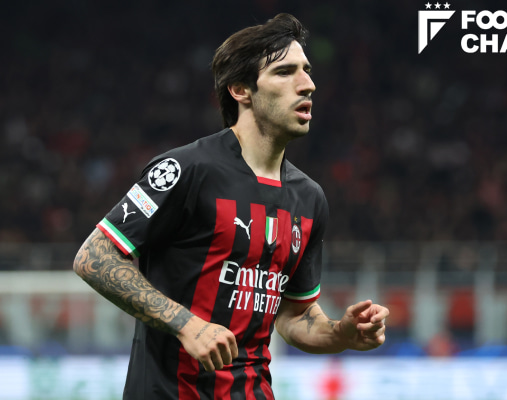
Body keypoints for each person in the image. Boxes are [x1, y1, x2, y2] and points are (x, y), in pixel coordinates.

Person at [73, 13, 389, 400]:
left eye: (306, 71)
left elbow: (295, 316)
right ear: (241, 90)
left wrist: (341, 334)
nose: (307, 84)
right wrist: (186, 323)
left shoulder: (309, 198)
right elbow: (94, 255)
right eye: (285, 72)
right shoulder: (186, 170)